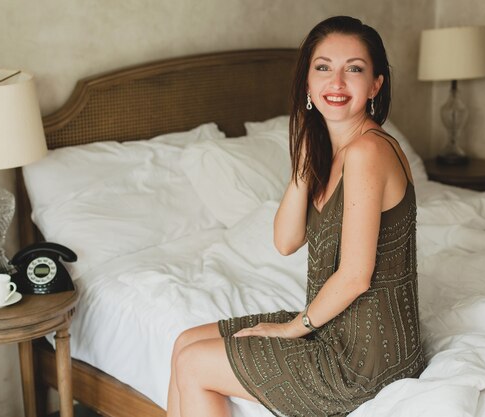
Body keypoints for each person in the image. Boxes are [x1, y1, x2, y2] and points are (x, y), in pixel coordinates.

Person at [166, 15, 425, 417]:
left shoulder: (367, 152)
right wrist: (305, 162)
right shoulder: (333, 151)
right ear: (307, 82)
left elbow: (356, 276)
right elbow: (285, 241)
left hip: (367, 358)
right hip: (335, 327)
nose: (336, 83)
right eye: (323, 68)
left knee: (193, 363)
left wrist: (290, 329)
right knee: (185, 342)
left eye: (353, 69)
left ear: (376, 84)